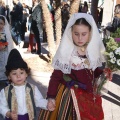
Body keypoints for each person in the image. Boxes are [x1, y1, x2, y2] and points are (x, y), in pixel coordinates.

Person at [38, 13, 107, 119]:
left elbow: (93, 70)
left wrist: (104, 73)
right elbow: (56, 76)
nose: (80, 38)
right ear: (71, 32)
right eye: (76, 33)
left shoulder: (91, 51)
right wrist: (51, 97)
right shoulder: (67, 52)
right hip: (70, 96)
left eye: (84, 34)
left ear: (90, 33)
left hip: (88, 95)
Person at [0, 48, 54, 120]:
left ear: (26, 74)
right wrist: (8, 114)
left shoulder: (32, 88)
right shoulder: (5, 91)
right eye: (14, 73)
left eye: (21, 73)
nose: (18, 76)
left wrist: (47, 104)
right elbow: (2, 106)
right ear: (9, 76)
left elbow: (39, 100)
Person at [0, 15, 14, 89]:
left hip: (4, 53)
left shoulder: (6, 33)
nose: (0, 26)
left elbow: (8, 43)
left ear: (4, 24)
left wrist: (4, 46)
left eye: (1, 23)